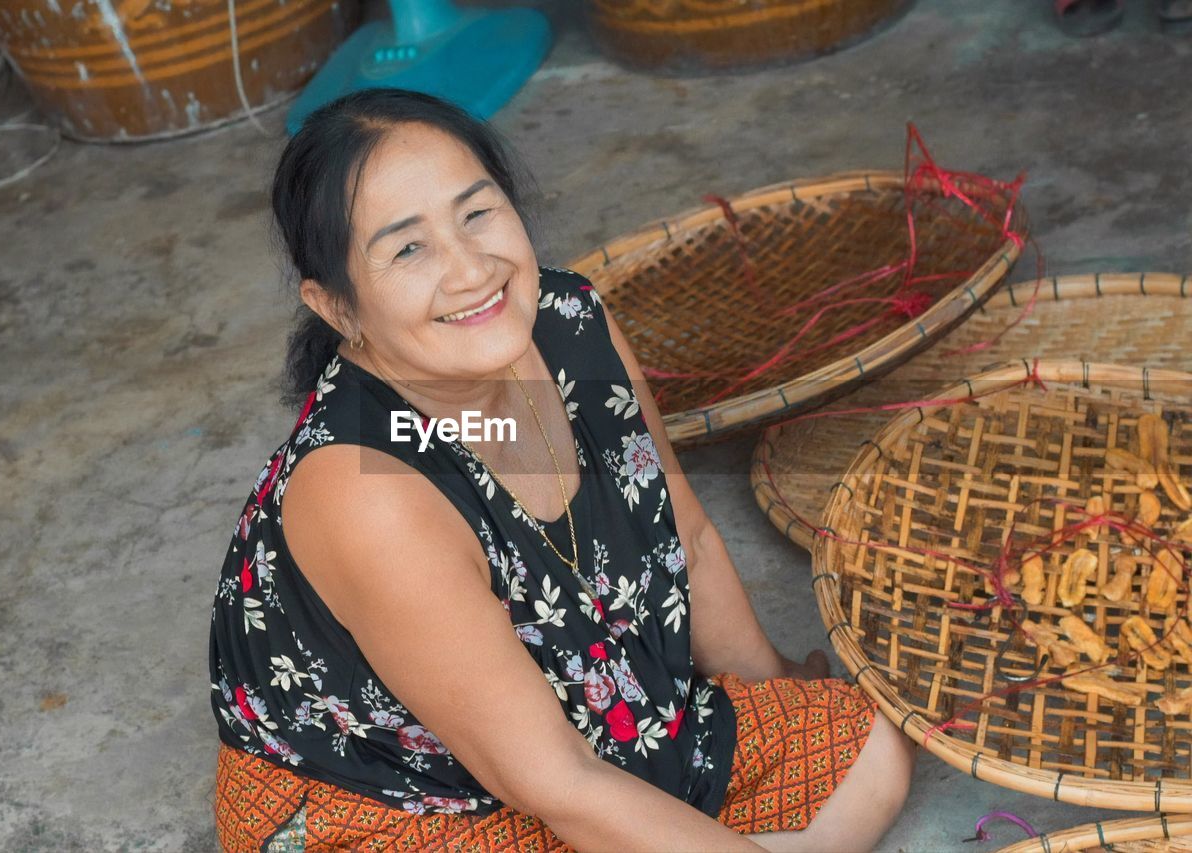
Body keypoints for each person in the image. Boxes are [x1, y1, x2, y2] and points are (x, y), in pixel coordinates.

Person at [209, 87, 914, 852]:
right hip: (403, 802)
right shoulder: (362, 489)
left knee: (866, 753)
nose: (472, 269)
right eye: (408, 248)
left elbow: (692, 540)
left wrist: (778, 687)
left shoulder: (570, 320)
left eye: (477, 212)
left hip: (603, 728)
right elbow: (556, 782)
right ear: (338, 307)